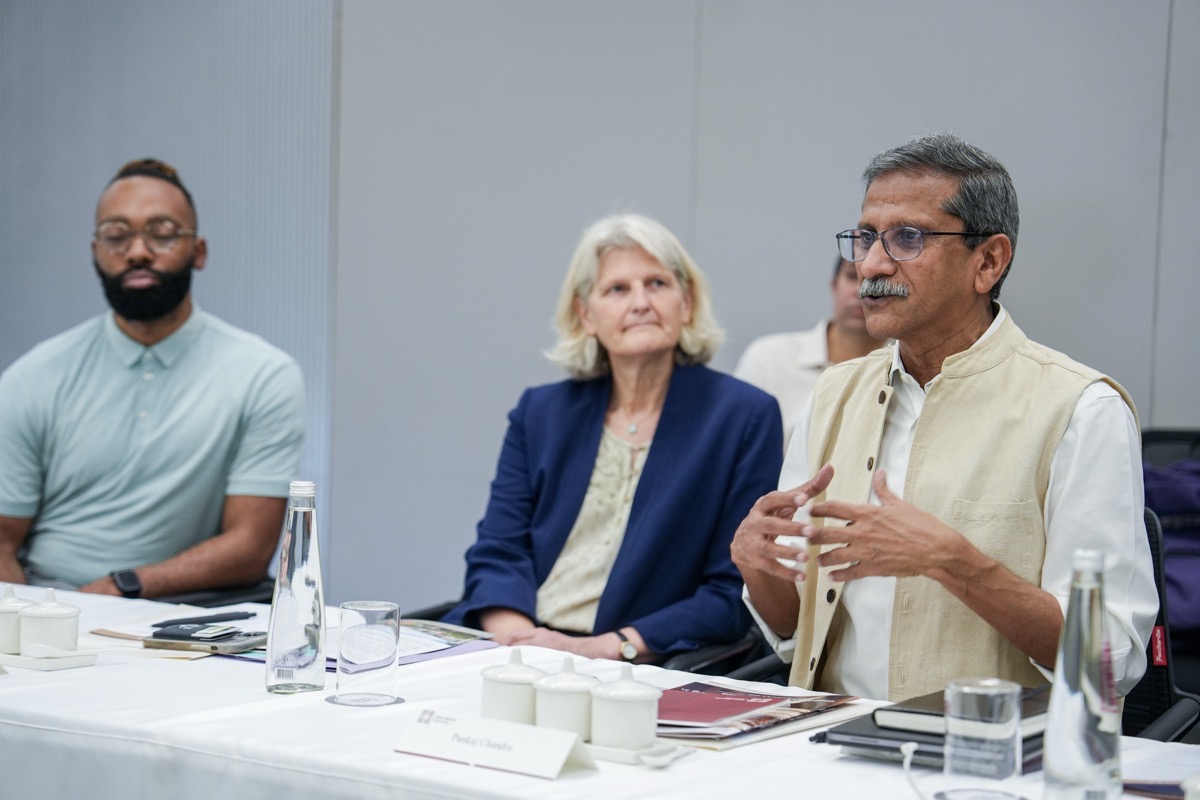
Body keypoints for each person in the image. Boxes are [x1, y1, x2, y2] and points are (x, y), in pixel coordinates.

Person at [732, 134, 1157, 702]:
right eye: (865, 237)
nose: (873, 264)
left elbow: (1108, 661)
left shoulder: (1081, 409)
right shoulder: (835, 393)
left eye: (907, 238)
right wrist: (758, 567)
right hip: (826, 743)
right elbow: (792, 632)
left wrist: (952, 563)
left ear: (988, 261)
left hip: (987, 763)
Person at [443, 213, 783, 662]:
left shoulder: (742, 416)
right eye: (617, 289)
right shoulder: (541, 412)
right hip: (514, 645)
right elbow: (498, 550)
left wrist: (603, 648)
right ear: (586, 314)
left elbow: (729, 592)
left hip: (635, 664)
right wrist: (519, 644)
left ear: (686, 302)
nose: (640, 302)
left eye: (657, 284)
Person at [0, 158, 305, 599]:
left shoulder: (263, 375)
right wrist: (25, 632)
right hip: (50, 604)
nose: (138, 251)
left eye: (162, 233)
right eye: (116, 235)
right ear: (95, 252)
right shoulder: (34, 375)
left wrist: (121, 587)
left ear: (199, 251)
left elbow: (250, 548)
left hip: (185, 614)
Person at [734, 255, 882, 449]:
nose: (861, 290)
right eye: (852, 276)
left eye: (876, 281)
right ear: (833, 286)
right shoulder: (767, 359)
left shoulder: (908, 371)